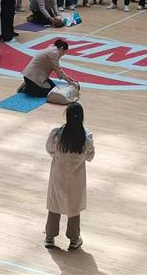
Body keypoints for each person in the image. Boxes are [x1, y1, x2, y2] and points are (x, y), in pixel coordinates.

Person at [44, 102, 94, 250]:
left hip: (58, 177)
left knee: (54, 205)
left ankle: (49, 237)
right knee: (74, 208)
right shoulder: (86, 136)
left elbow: (49, 149)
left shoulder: (56, 134)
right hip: (76, 180)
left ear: (67, 116)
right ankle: (74, 239)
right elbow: (90, 156)